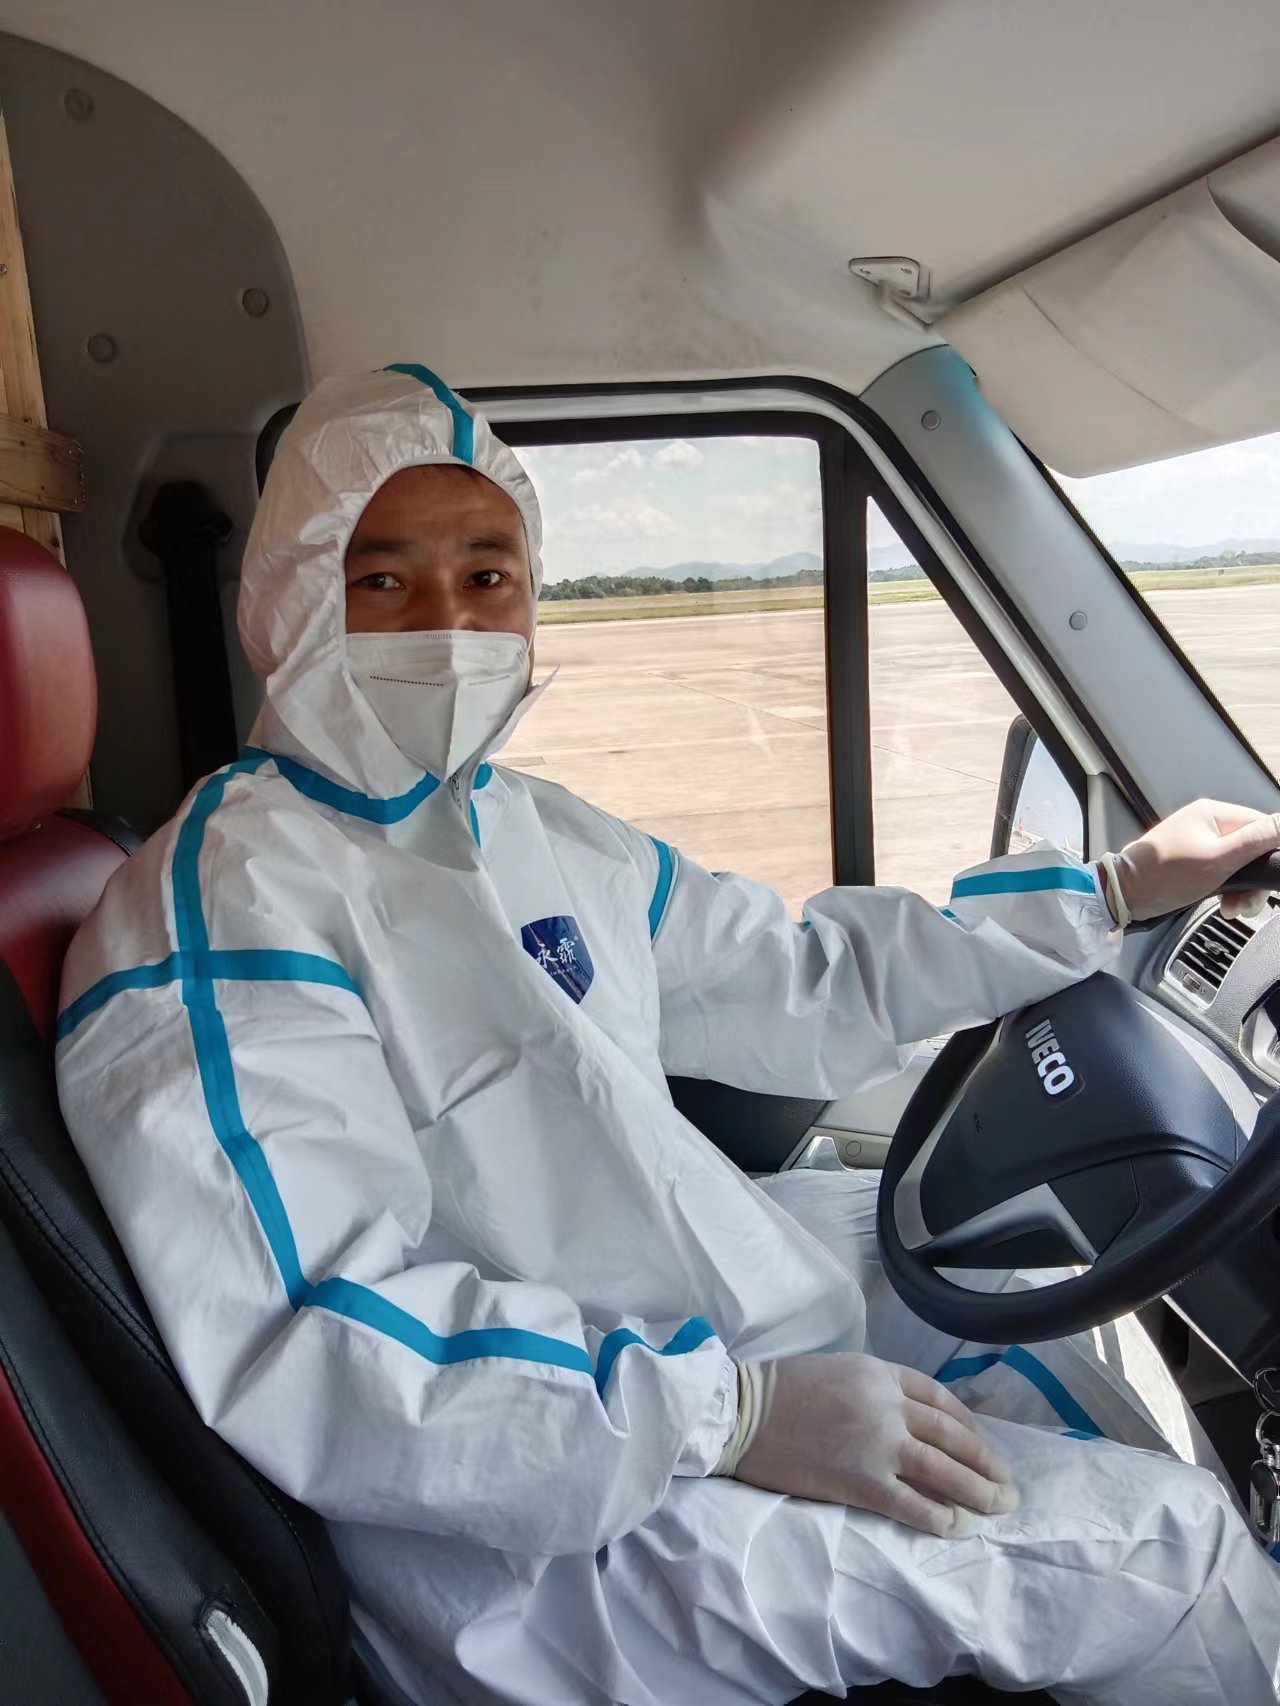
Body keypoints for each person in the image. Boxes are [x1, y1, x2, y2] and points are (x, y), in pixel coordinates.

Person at [56, 365, 1280, 1706]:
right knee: (1177, 1554)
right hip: (520, 1530)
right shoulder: (221, 904)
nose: (450, 627)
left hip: (640, 1360)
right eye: (384, 578)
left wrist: (1107, 894)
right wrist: (732, 1415)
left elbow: (800, 976)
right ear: (287, 600)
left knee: (998, 1287)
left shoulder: (529, 826)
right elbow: (323, 1331)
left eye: (488, 575)